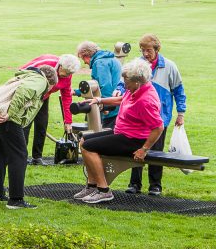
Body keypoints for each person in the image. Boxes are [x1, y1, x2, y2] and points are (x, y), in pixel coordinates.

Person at [74, 58, 164, 204]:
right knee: (85, 140)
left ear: (137, 82)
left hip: (134, 140)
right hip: (122, 133)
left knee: (87, 147)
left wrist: (144, 149)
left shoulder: (146, 100)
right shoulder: (135, 89)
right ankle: (92, 186)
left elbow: (158, 127)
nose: (123, 82)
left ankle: (103, 190)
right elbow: (121, 100)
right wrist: (99, 100)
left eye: (126, 79)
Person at [0, 65, 58, 209]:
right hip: (6, 117)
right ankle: (16, 199)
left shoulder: (25, 75)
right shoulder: (40, 81)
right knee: (20, 155)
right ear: (49, 81)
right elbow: (24, 92)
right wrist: (9, 114)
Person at [126, 34, 186, 196]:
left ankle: (155, 185)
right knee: (137, 150)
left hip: (160, 117)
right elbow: (124, 80)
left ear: (157, 49)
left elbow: (179, 91)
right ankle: (134, 183)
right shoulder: (136, 65)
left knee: (156, 152)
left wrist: (180, 113)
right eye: (143, 50)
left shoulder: (169, 66)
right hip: (138, 116)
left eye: (149, 50)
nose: (145, 54)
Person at [19, 54, 81, 165]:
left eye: (70, 74)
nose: (67, 76)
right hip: (29, 95)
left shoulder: (68, 75)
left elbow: (66, 96)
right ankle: (21, 156)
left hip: (44, 96)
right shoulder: (46, 63)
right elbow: (22, 72)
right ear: (60, 66)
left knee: (42, 124)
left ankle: (37, 158)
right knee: (25, 124)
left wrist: (68, 122)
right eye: (66, 73)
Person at [74, 41, 122, 129]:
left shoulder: (100, 63)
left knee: (102, 136)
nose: (84, 62)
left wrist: (105, 107)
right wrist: (77, 92)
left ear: (86, 55)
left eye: (83, 58)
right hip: (117, 105)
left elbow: (105, 86)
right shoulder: (110, 58)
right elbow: (96, 86)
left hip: (111, 110)